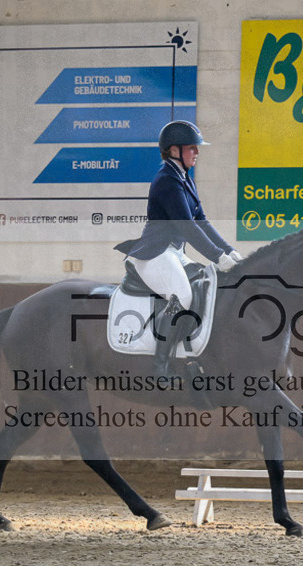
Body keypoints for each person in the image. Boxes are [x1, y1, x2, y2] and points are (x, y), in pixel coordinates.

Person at [114, 120, 243, 377]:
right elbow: (187, 228)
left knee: (206, 284)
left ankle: (192, 352)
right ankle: (160, 366)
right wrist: (218, 257)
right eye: (192, 148)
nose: (197, 152)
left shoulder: (184, 179)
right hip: (155, 254)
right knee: (182, 297)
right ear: (174, 151)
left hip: (173, 253)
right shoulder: (166, 181)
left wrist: (229, 251)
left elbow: (201, 221)